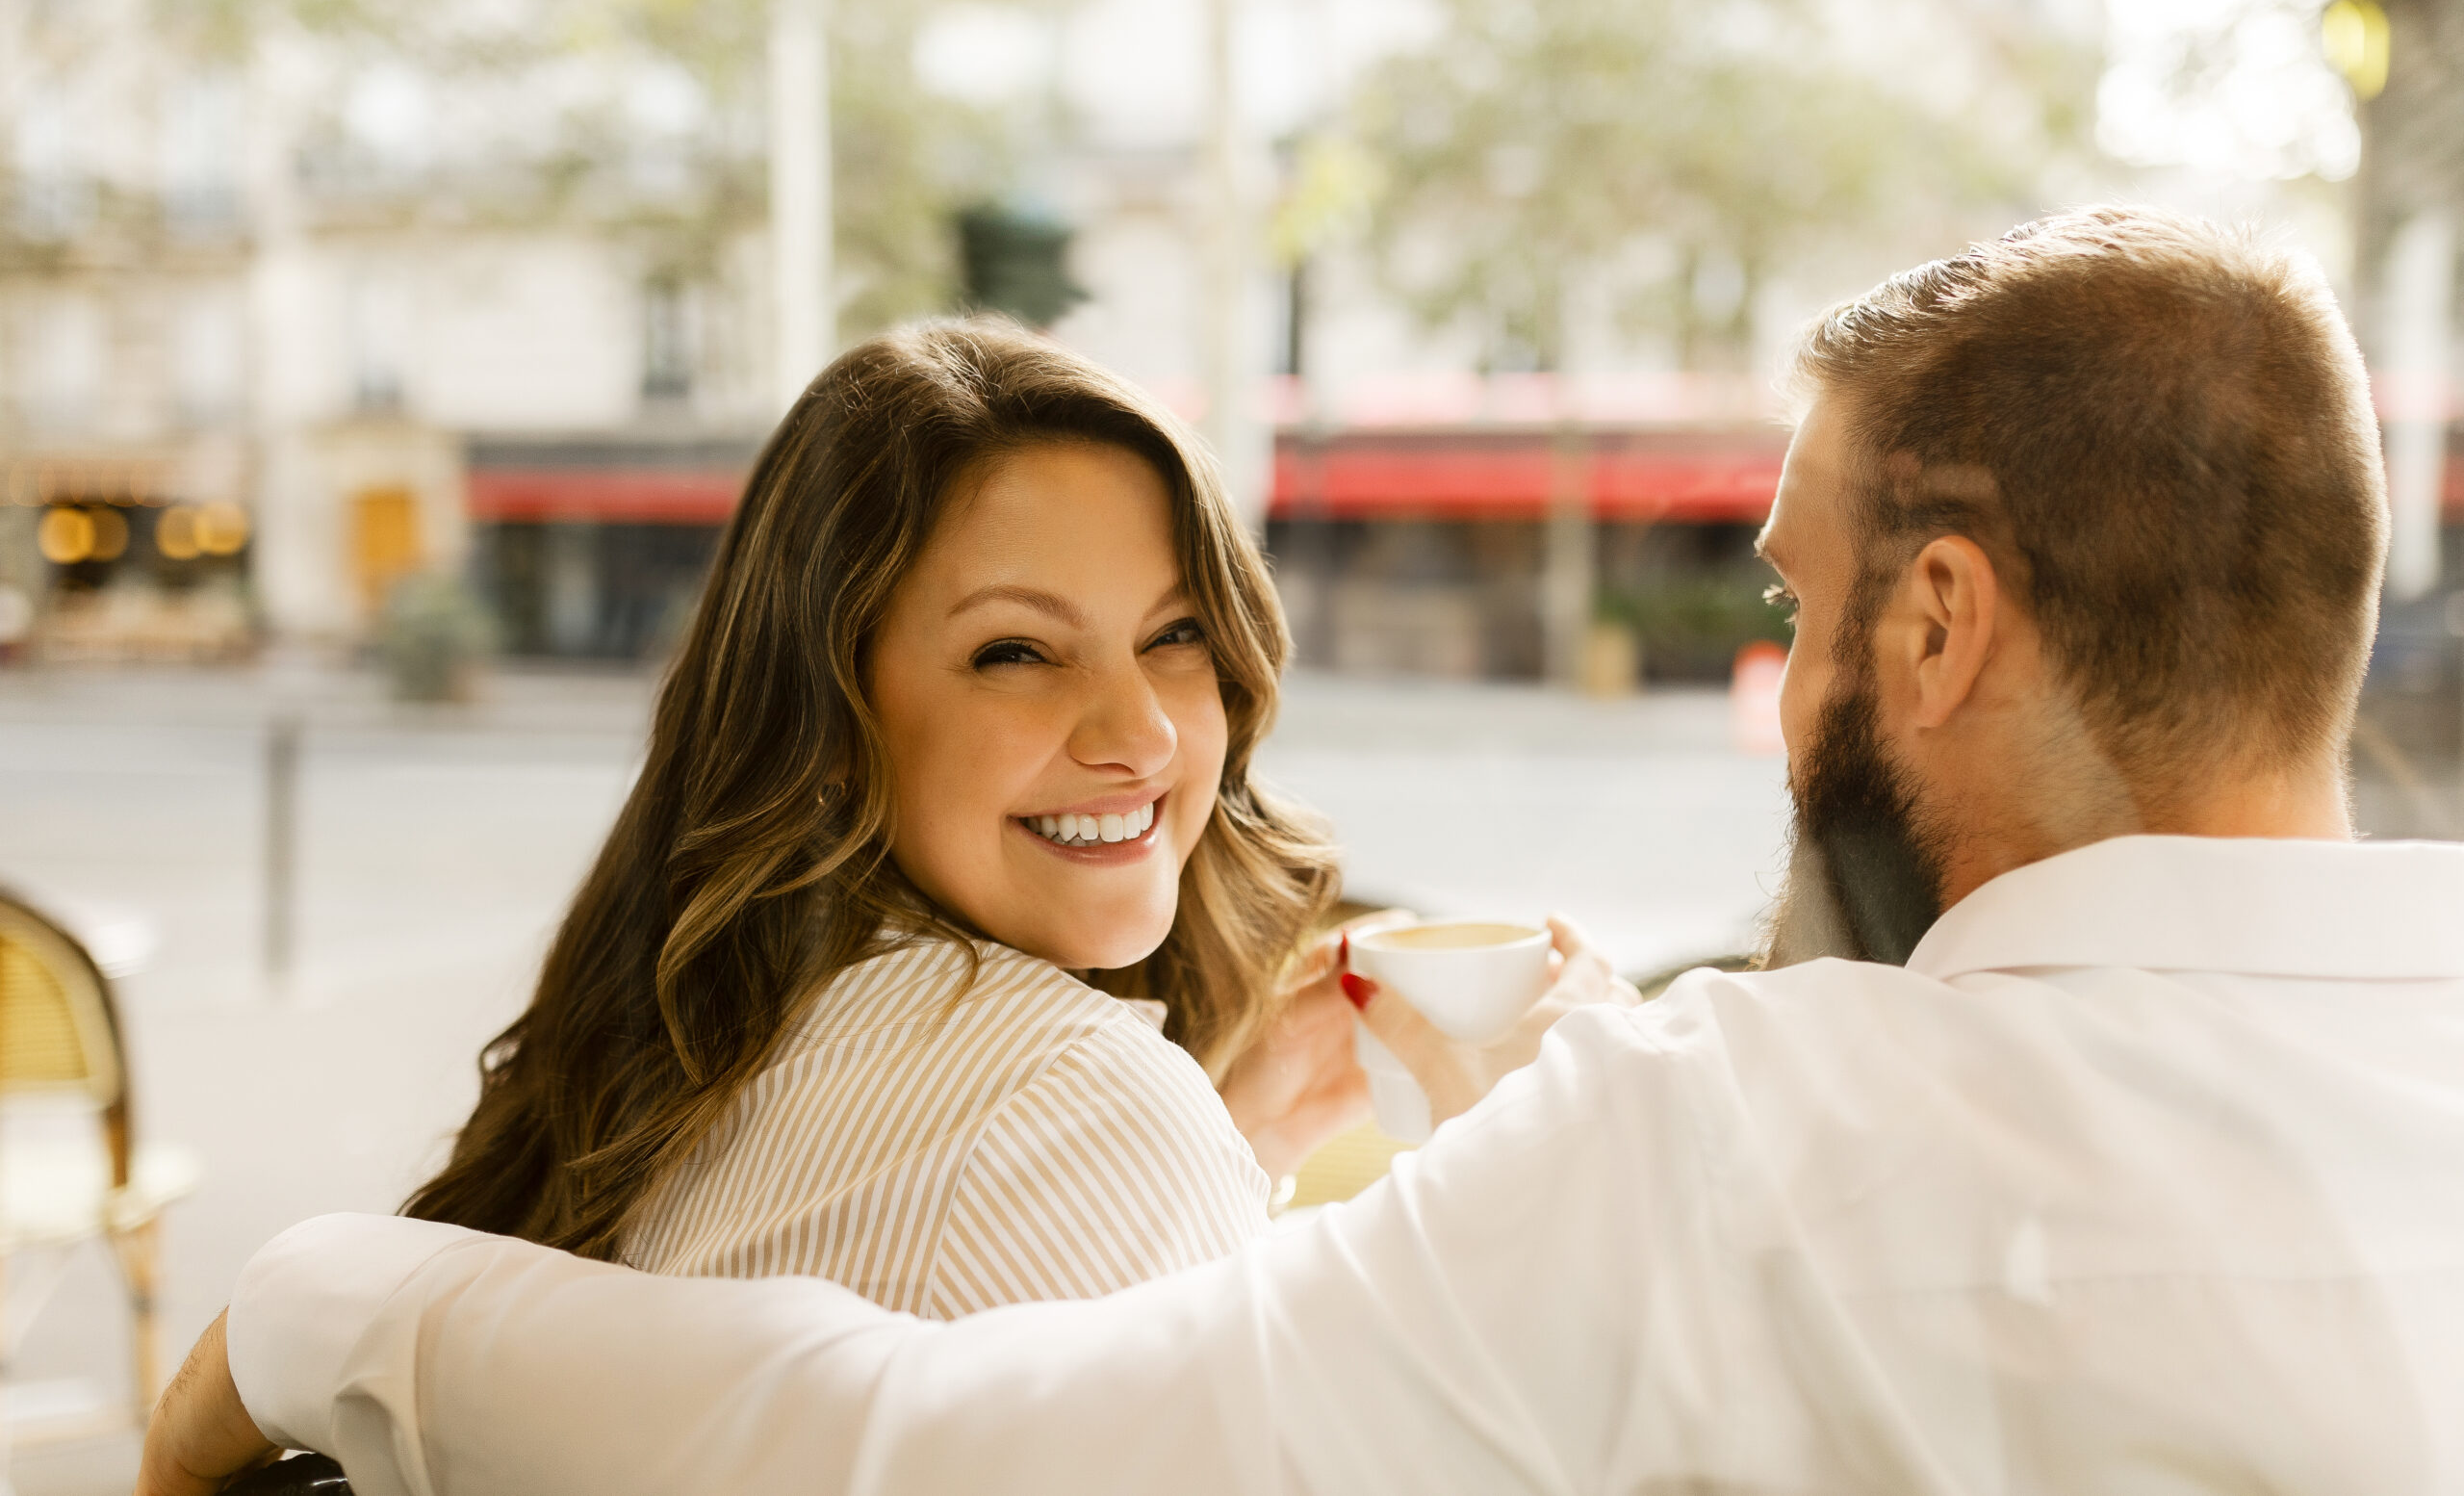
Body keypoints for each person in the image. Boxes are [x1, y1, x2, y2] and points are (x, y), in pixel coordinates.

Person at [142, 209, 2464, 1494]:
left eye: (1793, 594)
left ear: (1934, 621)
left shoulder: (1738, 1148)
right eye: (1013, 647)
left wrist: (345, 1293)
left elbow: (915, 1458)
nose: (1139, 722)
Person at [403, 319, 1392, 1315]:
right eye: (1017, 651)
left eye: (1176, 634)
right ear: (828, 716)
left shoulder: (715, 1057)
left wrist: (1230, 1139)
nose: (1144, 737)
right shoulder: (1073, 1102)